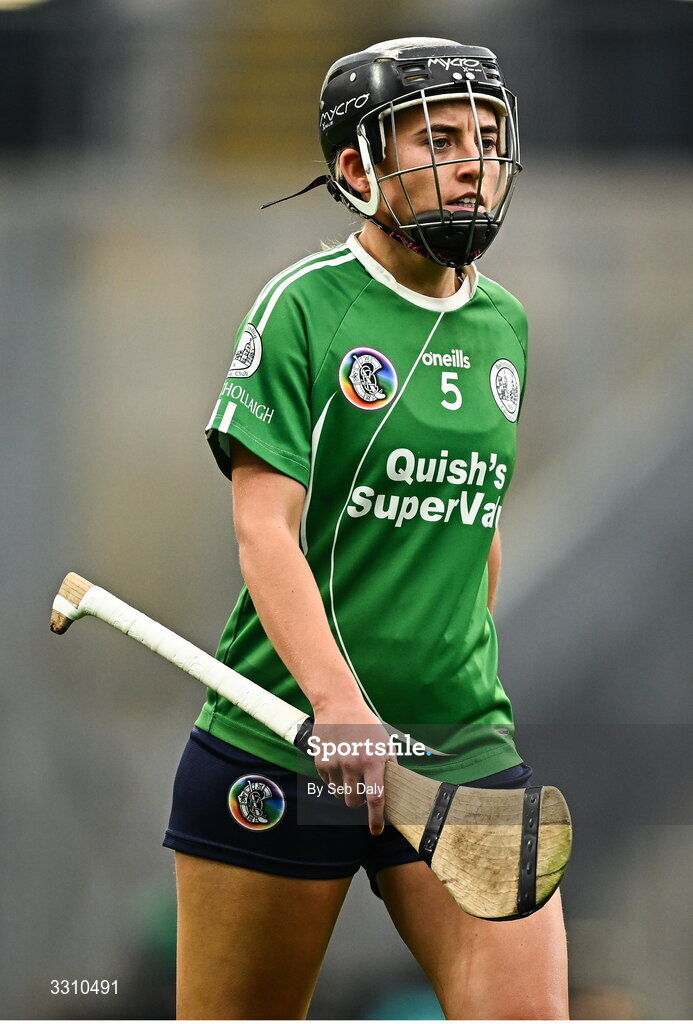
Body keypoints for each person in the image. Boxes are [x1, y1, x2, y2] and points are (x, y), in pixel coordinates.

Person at [164, 37, 569, 1020]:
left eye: (487, 135)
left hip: (456, 741)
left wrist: (458, 682)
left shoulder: (505, 324)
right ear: (358, 169)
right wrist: (339, 702)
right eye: (438, 138)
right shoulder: (305, 309)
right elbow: (265, 527)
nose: (474, 158)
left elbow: (476, 525)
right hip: (286, 742)